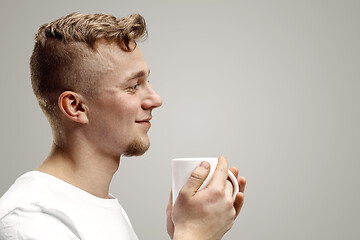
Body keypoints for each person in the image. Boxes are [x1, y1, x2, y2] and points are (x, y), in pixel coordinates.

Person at [0, 12, 246, 240]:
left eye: (147, 81)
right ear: (75, 107)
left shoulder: (100, 204)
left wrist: (182, 229)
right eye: (133, 86)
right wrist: (193, 234)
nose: (156, 99)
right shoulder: (29, 219)